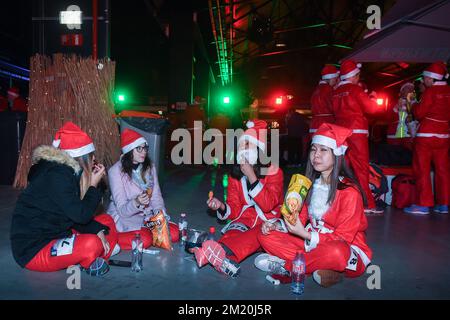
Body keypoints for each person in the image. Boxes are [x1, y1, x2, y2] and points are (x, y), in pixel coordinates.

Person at [256, 123, 372, 288]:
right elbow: (299, 218)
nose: (316, 155)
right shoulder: (306, 184)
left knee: (337, 253)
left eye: (323, 150)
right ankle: (320, 268)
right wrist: (277, 225)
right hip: (311, 242)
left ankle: (288, 267)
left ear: (337, 154)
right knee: (264, 235)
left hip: (344, 247)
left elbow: (343, 238)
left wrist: (306, 235)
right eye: (313, 149)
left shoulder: (350, 192)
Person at [10, 121, 119, 276]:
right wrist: (93, 186)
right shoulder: (57, 176)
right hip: (35, 249)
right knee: (92, 244)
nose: (94, 159)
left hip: (58, 232)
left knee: (106, 221)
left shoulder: (64, 173)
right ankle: (93, 257)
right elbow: (80, 216)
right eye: (91, 155)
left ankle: (93, 258)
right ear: (81, 157)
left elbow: (72, 214)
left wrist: (98, 230)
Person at [193, 119, 284, 277]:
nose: (243, 149)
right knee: (233, 232)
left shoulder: (274, 171)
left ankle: (215, 252)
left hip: (268, 220)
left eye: (248, 145)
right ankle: (224, 261)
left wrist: (252, 177)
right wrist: (221, 206)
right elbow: (234, 210)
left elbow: (268, 205)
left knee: (257, 234)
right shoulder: (235, 176)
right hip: (246, 218)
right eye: (242, 145)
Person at [107, 128, 179, 249]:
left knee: (175, 233)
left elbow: (156, 197)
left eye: (145, 147)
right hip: (126, 218)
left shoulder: (150, 167)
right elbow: (122, 210)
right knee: (144, 240)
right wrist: (137, 202)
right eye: (139, 148)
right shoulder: (115, 171)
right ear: (129, 150)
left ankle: (148, 234)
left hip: (147, 216)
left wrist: (160, 216)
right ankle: (111, 239)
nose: (143, 152)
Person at [332, 60, 382, 214]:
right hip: (357, 132)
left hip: (341, 132)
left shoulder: (335, 92)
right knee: (361, 168)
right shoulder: (356, 90)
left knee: (341, 167)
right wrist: (373, 98)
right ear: (353, 76)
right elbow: (372, 109)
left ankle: (339, 201)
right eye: (357, 75)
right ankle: (367, 203)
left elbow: (334, 111)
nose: (358, 78)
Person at [404, 61, 450, 215]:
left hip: (426, 135)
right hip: (444, 135)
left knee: (422, 169)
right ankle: (443, 204)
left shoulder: (430, 92)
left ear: (432, 78)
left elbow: (419, 113)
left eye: (425, 78)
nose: (424, 81)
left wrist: (414, 104)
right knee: (443, 170)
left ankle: (423, 204)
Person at [309, 64, 339, 135]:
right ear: (331, 78)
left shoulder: (316, 90)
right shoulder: (329, 90)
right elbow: (334, 107)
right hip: (326, 125)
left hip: (314, 125)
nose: (335, 81)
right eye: (335, 79)